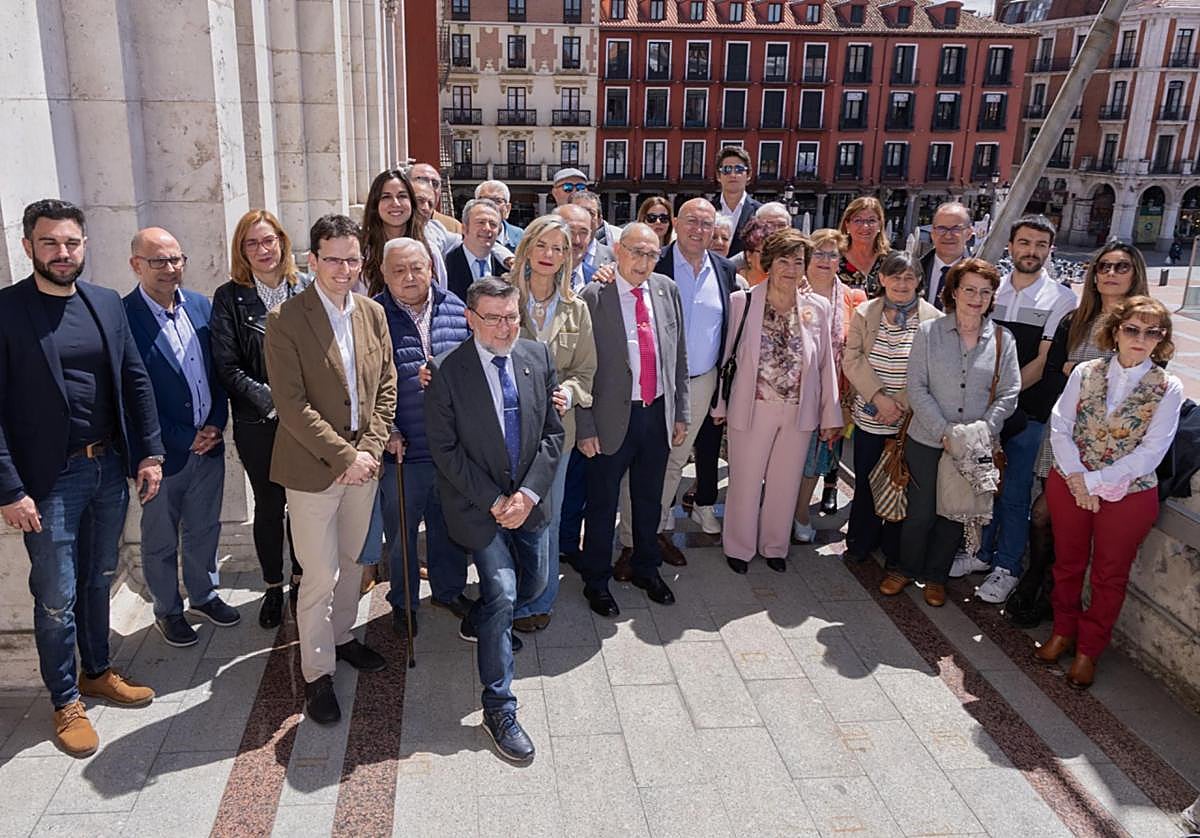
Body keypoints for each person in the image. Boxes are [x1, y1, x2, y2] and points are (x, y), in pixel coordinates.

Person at [0, 199, 163, 757]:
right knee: (56, 593)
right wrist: (10, 489)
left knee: (99, 575)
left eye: (71, 243)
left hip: (108, 466)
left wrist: (149, 454)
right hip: (47, 481)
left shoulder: (104, 304)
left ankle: (97, 669)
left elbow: (135, 380)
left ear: (84, 247)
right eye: (49, 243)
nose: (62, 253)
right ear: (29, 247)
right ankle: (65, 697)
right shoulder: (6, 311)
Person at [264, 214, 397, 725]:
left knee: (352, 562)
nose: (344, 268)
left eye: (352, 258)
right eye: (333, 259)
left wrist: (371, 447)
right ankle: (317, 673)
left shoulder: (371, 313)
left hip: (365, 467)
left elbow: (386, 385)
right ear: (312, 260)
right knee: (319, 574)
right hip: (314, 471)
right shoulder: (286, 320)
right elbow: (292, 405)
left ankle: (342, 638)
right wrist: (346, 456)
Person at [425, 278, 564, 763]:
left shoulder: (537, 357)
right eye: (494, 318)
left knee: (534, 586)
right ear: (469, 317)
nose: (506, 328)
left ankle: (485, 623)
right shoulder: (446, 371)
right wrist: (494, 500)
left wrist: (526, 495)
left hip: (528, 501)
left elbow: (552, 433)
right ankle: (499, 707)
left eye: (512, 317)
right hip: (478, 506)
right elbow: (444, 450)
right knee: (503, 591)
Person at [1038, 296, 1181, 688]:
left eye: (1153, 332)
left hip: (1129, 495)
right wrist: (1076, 476)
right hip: (1071, 480)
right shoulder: (1086, 371)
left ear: (1162, 338)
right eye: (1133, 329)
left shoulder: (1168, 387)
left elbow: (1154, 450)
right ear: (1116, 330)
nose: (1141, 338)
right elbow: (1060, 425)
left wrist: (1095, 484)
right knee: (1067, 562)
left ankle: (1089, 650)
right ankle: (1062, 632)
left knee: (1109, 575)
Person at [1008, 243, 1149, 626]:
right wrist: (1081, 371)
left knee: (1068, 525)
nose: (1111, 273)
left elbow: (1143, 384)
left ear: (1135, 273)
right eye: (1103, 266)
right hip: (1066, 437)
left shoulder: (1145, 324)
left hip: (1111, 448)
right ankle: (1038, 583)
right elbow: (1053, 374)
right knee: (1043, 515)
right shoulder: (1076, 319)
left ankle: (1048, 593)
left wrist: (1079, 369)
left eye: (1121, 266)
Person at [880, 258, 1020, 606]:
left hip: (972, 447)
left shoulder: (1003, 339)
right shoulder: (930, 332)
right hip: (928, 439)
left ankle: (936, 576)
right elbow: (916, 386)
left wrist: (980, 432)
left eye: (984, 292)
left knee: (952, 515)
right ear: (954, 292)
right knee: (920, 513)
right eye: (969, 289)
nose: (976, 298)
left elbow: (1009, 393)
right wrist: (944, 431)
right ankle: (904, 568)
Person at [124, 228, 237, 647]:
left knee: (205, 527)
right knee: (159, 539)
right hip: (162, 454)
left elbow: (219, 373)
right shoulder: (124, 318)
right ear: (136, 265)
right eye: (158, 261)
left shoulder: (202, 307)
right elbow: (133, 397)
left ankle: (204, 594)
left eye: (176, 259)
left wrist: (216, 422)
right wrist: (181, 436)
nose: (170, 269)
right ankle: (167, 610)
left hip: (208, 445)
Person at [614, 199, 738, 571]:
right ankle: (630, 541)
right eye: (691, 221)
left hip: (700, 381)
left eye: (706, 223)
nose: (698, 229)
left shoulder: (724, 268)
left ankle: (652, 532)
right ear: (676, 224)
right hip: (652, 381)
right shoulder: (655, 259)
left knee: (675, 461)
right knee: (637, 463)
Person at [575, 223, 690, 617]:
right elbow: (579, 366)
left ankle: (646, 568)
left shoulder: (666, 290)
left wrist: (681, 413)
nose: (643, 261)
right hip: (609, 418)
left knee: (648, 500)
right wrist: (585, 426)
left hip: (656, 413)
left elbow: (679, 356)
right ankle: (596, 581)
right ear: (617, 251)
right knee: (603, 506)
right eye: (636, 252)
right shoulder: (593, 296)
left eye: (651, 254)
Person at [711, 229, 841, 573]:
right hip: (752, 407)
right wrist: (720, 406)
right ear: (769, 262)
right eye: (784, 259)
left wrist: (831, 413)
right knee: (745, 481)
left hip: (799, 410)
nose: (791, 268)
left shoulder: (819, 307)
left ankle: (774, 546)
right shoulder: (745, 301)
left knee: (785, 484)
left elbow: (827, 362)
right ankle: (739, 548)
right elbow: (727, 358)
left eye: (798, 261)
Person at [964, 215, 1076, 605]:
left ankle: (1007, 566)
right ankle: (981, 554)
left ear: (1050, 250)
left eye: (1041, 245)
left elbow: (1043, 362)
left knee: (1013, 493)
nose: (1032, 251)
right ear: (1010, 246)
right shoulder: (993, 290)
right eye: (1025, 243)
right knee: (983, 487)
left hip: (1026, 414)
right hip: (986, 408)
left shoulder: (1060, 298)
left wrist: (1001, 399)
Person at [211, 210, 309, 628]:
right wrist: (274, 403)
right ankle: (273, 586)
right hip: (259, 421)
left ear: (282, 243)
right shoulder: (229, 297)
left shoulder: (305, 288)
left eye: (268, 240)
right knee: (270, 506)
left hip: (307, 420)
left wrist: (303, 407)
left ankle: (303, 580)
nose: (262, 250)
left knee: (305, 506)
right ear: (241, 250)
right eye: (252, 243)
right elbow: (228, 365)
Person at [374, 237, 473, 636]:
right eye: (398, 270)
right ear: (384, 274)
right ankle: (403, 601)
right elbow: (367, 383)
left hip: (450, 448)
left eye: (416, 267)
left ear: (431, 266)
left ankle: (449, 591)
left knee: (448, 526)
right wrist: (387, 431)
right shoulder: (373, 314)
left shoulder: (456, 307)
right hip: (403, 448)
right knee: (400, 534)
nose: (409, 277)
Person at [505, 216, 597, 633]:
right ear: (527, 249)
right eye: (543, 245)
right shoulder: (504, 301)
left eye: (559, 249)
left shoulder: (576, 309)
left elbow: (585, 371)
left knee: (548, 515)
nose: (550, 256)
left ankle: (540, 600)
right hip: (506, 432)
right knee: (507, 514)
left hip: (556, 436)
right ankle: (506, 595)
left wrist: (571, 394)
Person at [842, 250, 941, 565]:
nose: (901, 283)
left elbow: (932, 370)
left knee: (903, 482)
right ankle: (861, 540)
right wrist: (879, 398)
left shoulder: (934, 320)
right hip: (871, 415)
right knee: (868, 480)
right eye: (895, 276)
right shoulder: (865, 312)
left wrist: (900, 402)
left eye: (909, 277)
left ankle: (893, 546)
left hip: (910, 419)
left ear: (918, 281)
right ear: (882, 279)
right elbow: (852, 358)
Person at [792, 229, 867, 539]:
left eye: (832, 254)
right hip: (790, 391)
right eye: (818, 253)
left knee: (815, 457)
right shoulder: (788, 290)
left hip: (832, 393)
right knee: (785, 457)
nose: (825, 260)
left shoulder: (855, 298)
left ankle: (798, 513)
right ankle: (776, 508)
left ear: (841, 260)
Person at [362, 168, 447, 294]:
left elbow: (441, 296)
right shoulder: (362, 253)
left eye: (402, 196)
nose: (395, 203)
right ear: (375, 204)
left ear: (412, 203)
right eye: (386, 197)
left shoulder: (430, 251)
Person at [444, 198, 507, 300]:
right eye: (480, 222)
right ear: (464, 228)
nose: (487, 228)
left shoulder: (505, 268)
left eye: (493, 224)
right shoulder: (446, 264)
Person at [920, 202, 973, 309]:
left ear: (968, 234)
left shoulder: (979, 276)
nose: (948, 236)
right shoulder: (915, 270)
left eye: (956, 229)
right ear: (932, 233)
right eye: (941, 229)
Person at [712, 146, 761, 257]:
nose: (733, 175)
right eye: (727, 170)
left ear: (748, 175)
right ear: (718, 176)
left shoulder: (760, 213)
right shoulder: (707, 210)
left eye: (739, 169)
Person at [838, 197, 889, 296]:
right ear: (847, 225)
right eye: (858, 220)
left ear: (880, 225)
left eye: (871, 221)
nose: (865, 226)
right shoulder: (834, 259)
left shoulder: (890, 261)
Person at [555, 203, 613, 289]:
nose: (576, 240)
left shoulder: (600, 283)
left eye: (583, 232)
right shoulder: (530, 281)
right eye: (570, 231)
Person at [410, 162, 462, 234]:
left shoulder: (454, 228)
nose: (430, 187)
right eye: (422, 181)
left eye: (435, 184)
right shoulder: (395, 223)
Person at [477, 179, 525, 249]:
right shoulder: (463, 236)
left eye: (498, 201)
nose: (491, 205)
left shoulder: (521, 238)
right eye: (484, 200)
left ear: (507, 209)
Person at [735, 218, 769, 287]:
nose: (769, 257)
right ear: (749, 256)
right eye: (764, 253)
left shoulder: (778, 281)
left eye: (771, 252)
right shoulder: (734, 282)